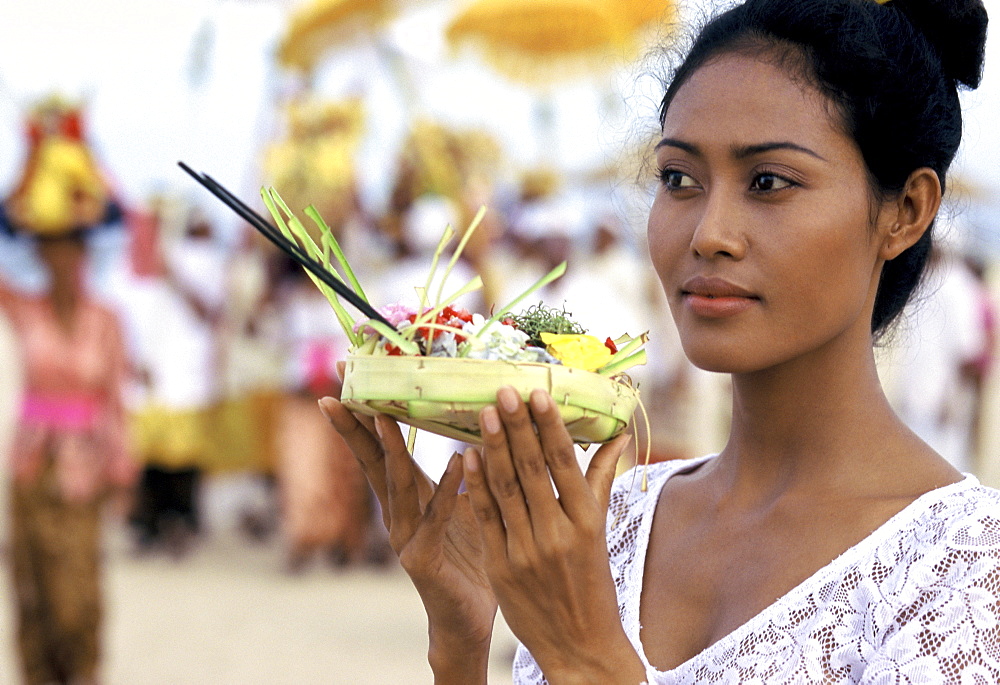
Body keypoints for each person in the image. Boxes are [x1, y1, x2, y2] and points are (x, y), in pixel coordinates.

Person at [319, 0, 998, 682]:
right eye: (679, 179)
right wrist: (460, 644)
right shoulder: (611, 518)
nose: (707, 232)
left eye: (768, 182)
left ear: (905, 211)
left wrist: (587, 659)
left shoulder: (960, 571)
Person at [0, 97, 136, 685]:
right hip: (32, 464)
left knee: (79, 596)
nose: (58, 259)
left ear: (82, 254)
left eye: (68, 249)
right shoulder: (24, 312)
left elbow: (114, 398)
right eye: (47, 249)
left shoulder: (105, 319)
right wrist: (34, 161)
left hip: (84, 468)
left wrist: (85, 155)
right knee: (31, 595)